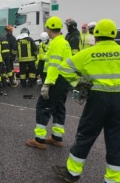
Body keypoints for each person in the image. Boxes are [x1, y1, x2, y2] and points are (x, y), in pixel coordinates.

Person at [51, 19, 120, 183]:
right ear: (114, 34)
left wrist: (78, 82)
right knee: (116, 138)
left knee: (86, 135)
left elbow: (63, 68)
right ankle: (113, 179)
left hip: (97, 98)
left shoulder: (88, 53)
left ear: (95, 35)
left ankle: (72, 172)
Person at [26, 16, 71, 149]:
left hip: (54, 80)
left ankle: (39, 139)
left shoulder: (56, 43)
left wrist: (47, 83)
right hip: (63, 81)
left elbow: (54, 65)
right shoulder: (64, 42)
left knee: (43, 106)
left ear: (49, 28)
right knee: (59, 108)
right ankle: (57, 137)